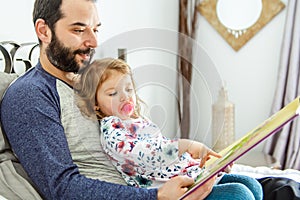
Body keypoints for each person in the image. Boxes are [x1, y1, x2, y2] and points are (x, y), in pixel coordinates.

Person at [0, 0, 216, 199]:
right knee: (238, 193)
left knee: (244, 183)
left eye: (95, 29)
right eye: (79, 29)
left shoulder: (92, 84)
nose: (93, 41)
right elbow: (62, 188)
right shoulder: (30, 94)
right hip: (145, 194)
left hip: (148, 182)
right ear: (43, 31)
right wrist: (156, 196)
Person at [74, 57, 263, 200]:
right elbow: (148, 155)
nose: (125, 97)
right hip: (174, 192)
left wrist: (206, 166)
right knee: (241, 194)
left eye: (129, 89)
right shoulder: (112, 132)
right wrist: (186, 146)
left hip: (189, 175)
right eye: (113, 93)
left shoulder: (137, 121)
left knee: (252, 185)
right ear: (95, 103)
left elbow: (164, 150)